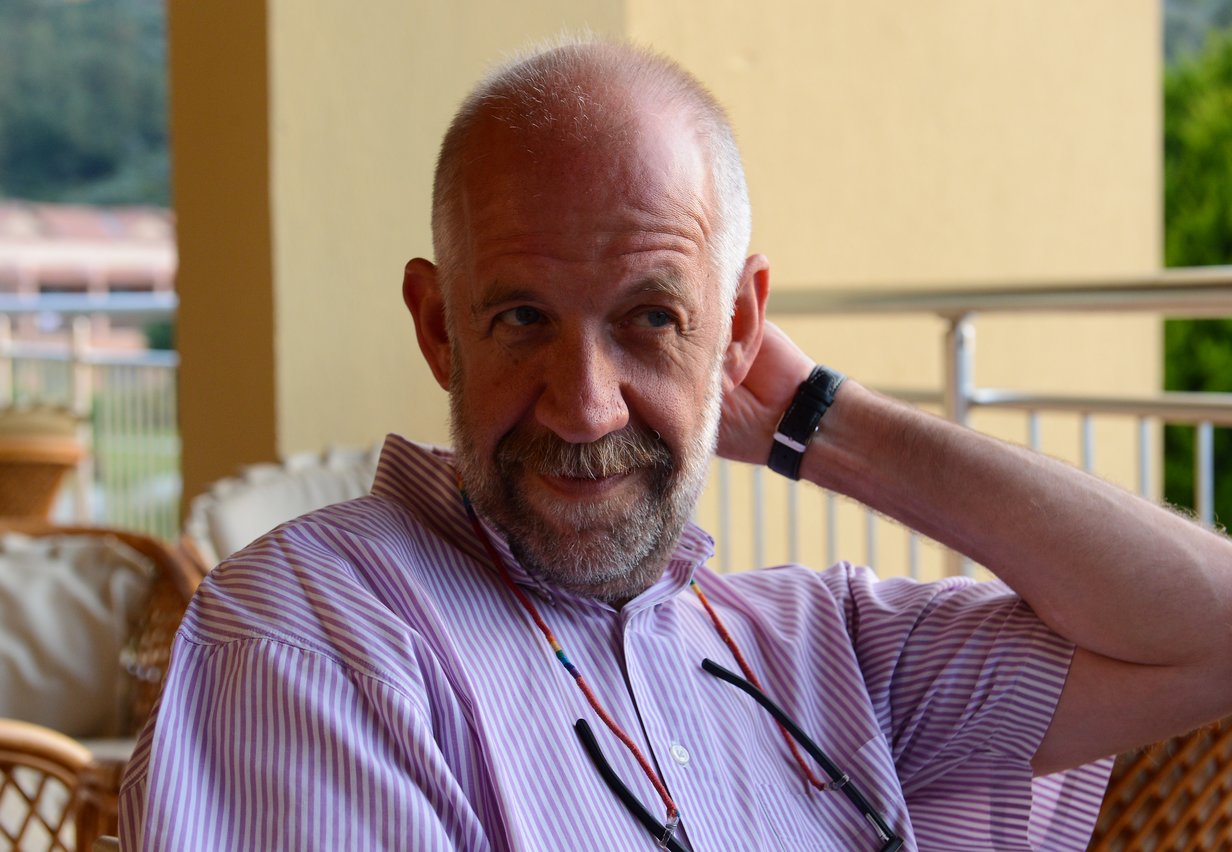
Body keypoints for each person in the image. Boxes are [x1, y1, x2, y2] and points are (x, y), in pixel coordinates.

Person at [121, 39, 1232, 851]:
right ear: (438, 328)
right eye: (522, 319)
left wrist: (820, 421)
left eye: (651, 319)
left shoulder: (823, 655)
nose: (584, 408)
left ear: (737, 328)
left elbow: (1210, 630)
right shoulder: (319, 637)